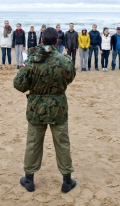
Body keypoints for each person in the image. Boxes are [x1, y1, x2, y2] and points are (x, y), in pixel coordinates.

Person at [13, 27, 76, 193]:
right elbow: (69, 78)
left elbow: (19, 85)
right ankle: (67, 181)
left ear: (41, 40)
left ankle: (29, 179)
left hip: (37, 108)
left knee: (33, 143)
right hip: (58, 108)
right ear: (56, 41)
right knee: (62, 143)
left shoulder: (33, 60)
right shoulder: (65, 60)